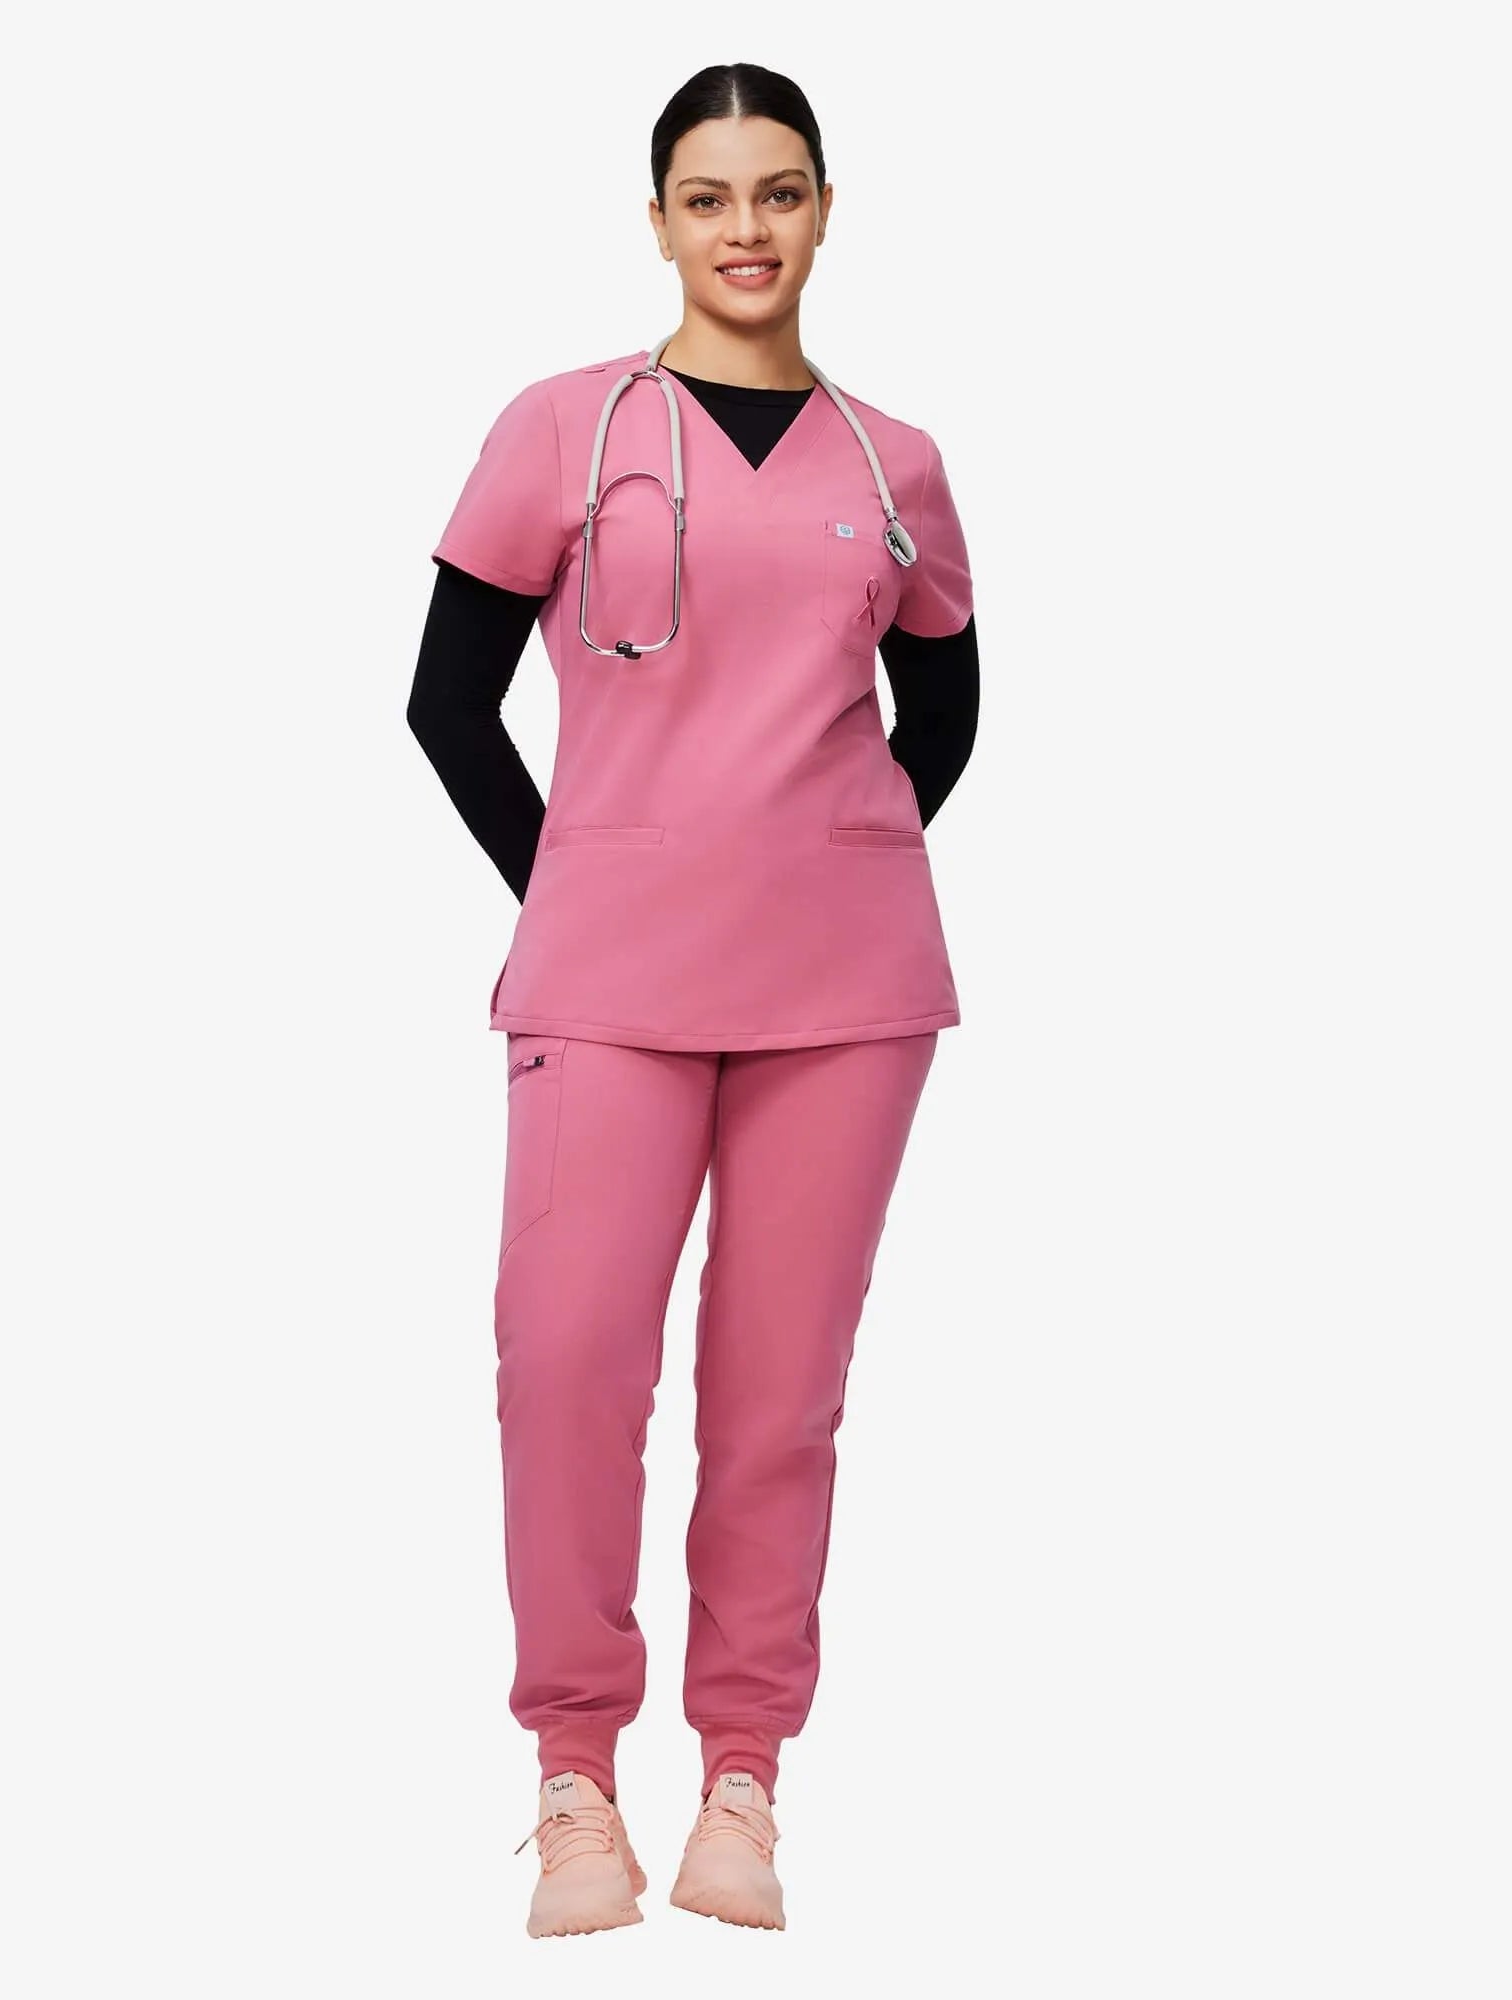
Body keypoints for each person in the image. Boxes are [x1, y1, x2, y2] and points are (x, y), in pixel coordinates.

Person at [407, 62, 980, 1937]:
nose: (748, 229)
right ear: (657, 219)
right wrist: (590, 879)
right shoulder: (565, 430)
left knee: (779, 1394)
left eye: (781, 191)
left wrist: (826, 863)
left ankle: (745, 1775)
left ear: (826, 210)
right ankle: (576, 1776)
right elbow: (445, 702)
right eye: (711, 195)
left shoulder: (893, 463)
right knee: (568, 1363)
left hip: (845, 993)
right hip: (610, 979)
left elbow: (946, 707)